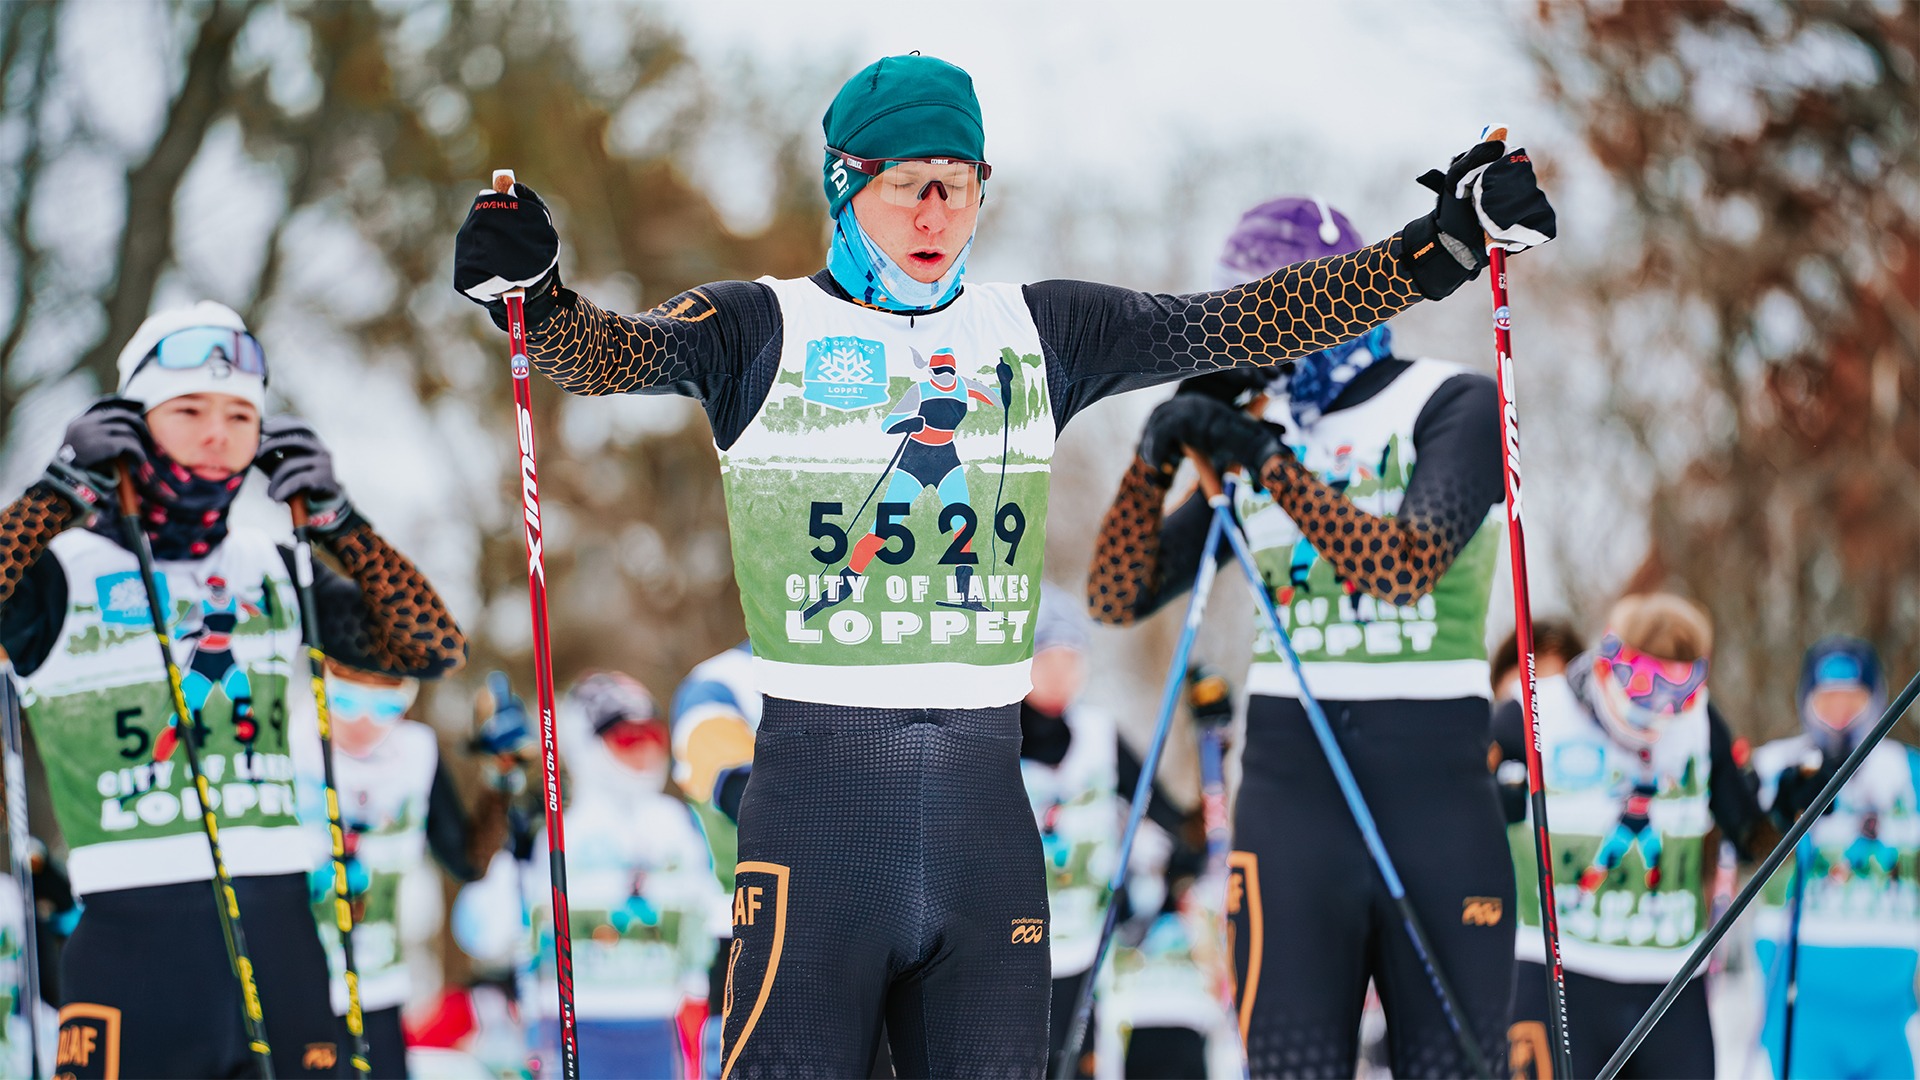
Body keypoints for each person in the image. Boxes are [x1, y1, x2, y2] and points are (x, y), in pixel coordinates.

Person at [453, 53, 1556, 1074]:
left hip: (986, 821)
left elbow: (1242, 319)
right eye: (905, 186)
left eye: (958, 182)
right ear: (845, 186)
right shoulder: (759, 330)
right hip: (819, 817)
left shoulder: (1038, 332)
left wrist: (1440, 248)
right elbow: (606, 354)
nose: (936, 212)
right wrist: (537, 295)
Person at [1087, 195, 1520, 1076]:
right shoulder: (1257, 428)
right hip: (1291, 798)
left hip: (1434, 790)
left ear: (1336, 301)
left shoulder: (1454, 401)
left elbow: (1402, 568)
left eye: (1271, 306)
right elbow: (1114, 593)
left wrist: (1263, 461)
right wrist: (1155, 456)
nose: (1250, 335)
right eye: (1237, 312)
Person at [0, 301, 466, 1078]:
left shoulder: (273, 565)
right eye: (187, 410)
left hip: (281, 929)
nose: (218, 435)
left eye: (240, 415)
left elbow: (430, 648)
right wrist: (53, 496)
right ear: (132, 421)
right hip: (133, 941)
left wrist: (340, 523)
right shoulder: (61, 572)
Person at [1497, 594, 1768, 1080]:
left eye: (1677, 693)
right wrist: (1494, 795)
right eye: (1642, 686)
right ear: (1607, 666)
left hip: (1668, 986)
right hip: (1558, 975)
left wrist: (1790, 802)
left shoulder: (1700, 724)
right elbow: (1456, 790)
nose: (1658, 712)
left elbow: (1754, 838)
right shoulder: (1538, 709)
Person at [458, 672, 725, 1079]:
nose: (644, 754)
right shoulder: (553, 824)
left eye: (651, 737)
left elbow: (712, 924)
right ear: (590, 745)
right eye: (626, 740)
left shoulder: (678, 824)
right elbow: (481, 933)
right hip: (568, 1027)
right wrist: (512, 852)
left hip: (659, 1029)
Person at [318, 658, 508, 1078]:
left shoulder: (415, 752)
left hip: (378, 989)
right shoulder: (290, 742)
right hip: (298, 990)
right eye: (345, 701)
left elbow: (467, 861)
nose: (364, 722)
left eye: (386, 706)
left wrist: (501, 781)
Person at [1751, 637, 1917, 1080]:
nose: (1841, 711)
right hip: (1803, 1008)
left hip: (1890, 1013)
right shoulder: (1774, 765)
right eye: (1827, 698)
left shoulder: (1909, 771)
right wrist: (1781, 806)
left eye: (1853, 698)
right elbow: (1738, 843)